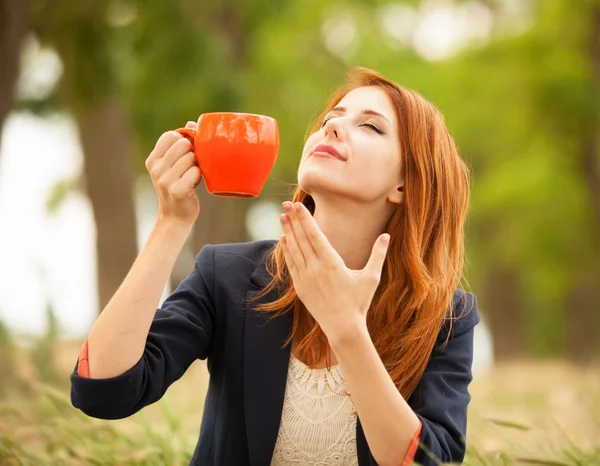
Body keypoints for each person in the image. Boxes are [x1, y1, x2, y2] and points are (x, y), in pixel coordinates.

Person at [70, 68, 480, 466]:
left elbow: (431, 460)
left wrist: (347, 328)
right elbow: (104, 393)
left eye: (370, 127)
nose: (331, 129)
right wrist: (171, 222)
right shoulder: (227, 274)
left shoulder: (444, 316)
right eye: (330, 120)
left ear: (405, 184)